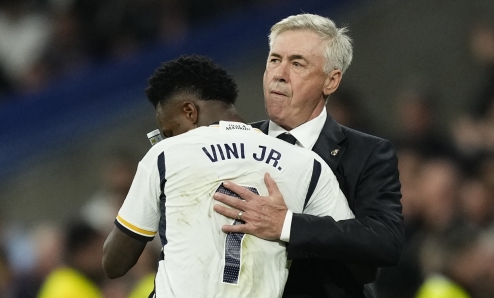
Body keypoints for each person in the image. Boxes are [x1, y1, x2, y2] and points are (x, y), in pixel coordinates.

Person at [102, 55, 354, 297]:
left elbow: (114, 264)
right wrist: (290, 225)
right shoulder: (306, 163)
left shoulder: (166, 154)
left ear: (190, 111)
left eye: (169, 130)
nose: (169, 138)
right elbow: (359, 262)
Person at [212, 13, 404, 297]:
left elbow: (384, 242)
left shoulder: (368, 153)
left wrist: (287, 224)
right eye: (274, 59)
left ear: (331, 81)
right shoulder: (231, 142)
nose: (279, 73)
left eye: (297, 63)